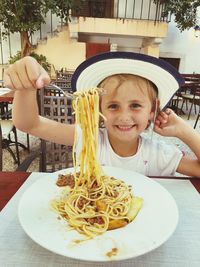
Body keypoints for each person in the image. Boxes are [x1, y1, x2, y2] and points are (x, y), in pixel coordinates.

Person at [4, 52, 200, 176]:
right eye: (113, 106)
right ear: (98, 108)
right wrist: (26, 87)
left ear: (152, 109)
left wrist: (184, 131)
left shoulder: (159, 154)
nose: (124, 116)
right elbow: (29, 124)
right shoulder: (88, 137)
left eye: (135, 105)